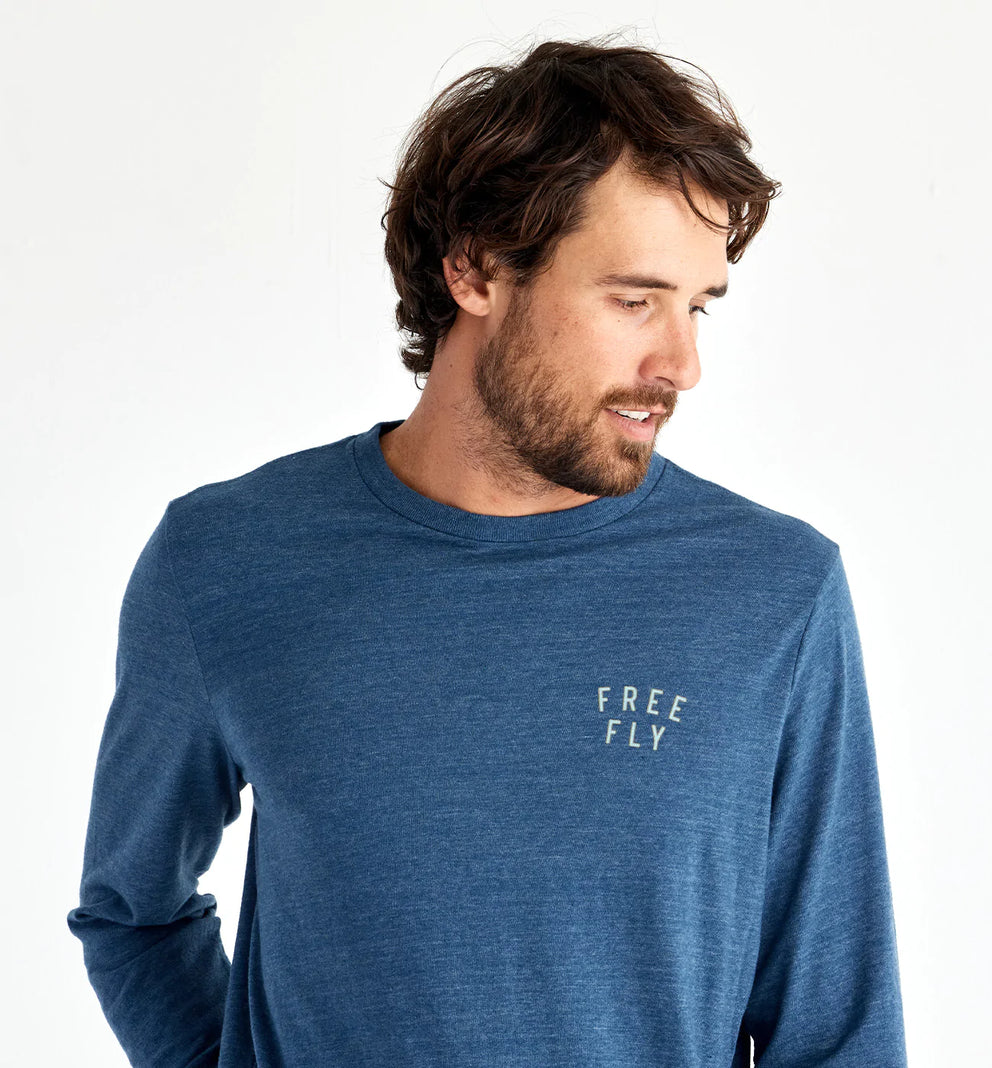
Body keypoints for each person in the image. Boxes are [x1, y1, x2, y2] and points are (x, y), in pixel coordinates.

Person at [67, 35, 909, 1067]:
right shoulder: (225, 561)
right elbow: (132, 911)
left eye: (697, 307)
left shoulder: (774, 593)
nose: (682, 363)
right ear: (473, 267)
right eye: (633, 300)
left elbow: (838, 1031)